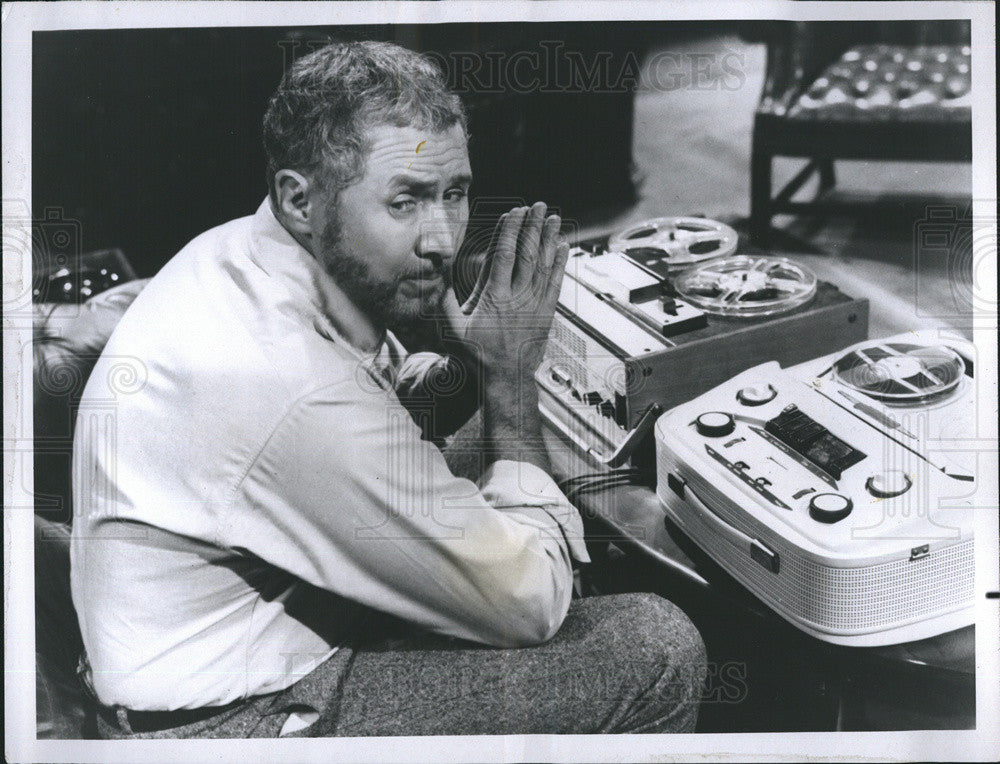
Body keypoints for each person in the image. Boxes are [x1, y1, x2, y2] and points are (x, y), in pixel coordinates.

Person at [70, 39, 706, 739]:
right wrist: (509, 381)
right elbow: (533, 604)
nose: (441, 240)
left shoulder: (242, 252)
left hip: (213, 635)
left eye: (454, 194)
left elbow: (385, 393)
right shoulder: (293, 390)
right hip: (224, 721)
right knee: (657, 647)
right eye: (405, 201)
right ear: (299, 199)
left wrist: (473, 365)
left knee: (491, 457)